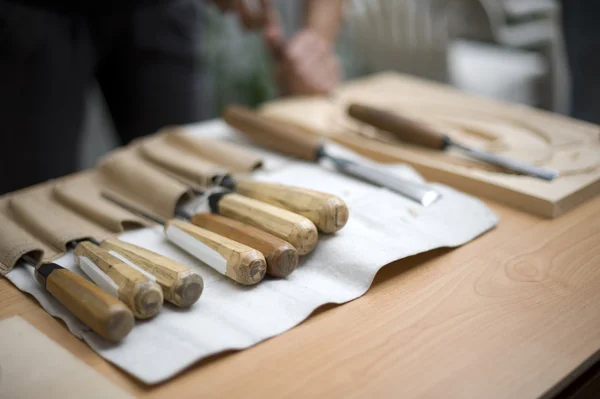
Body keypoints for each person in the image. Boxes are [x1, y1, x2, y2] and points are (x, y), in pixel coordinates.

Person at [0, 0, 343, 194]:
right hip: (32, 12)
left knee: (186, 182)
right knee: (28, 202)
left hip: (157, 9)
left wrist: (316, 40)